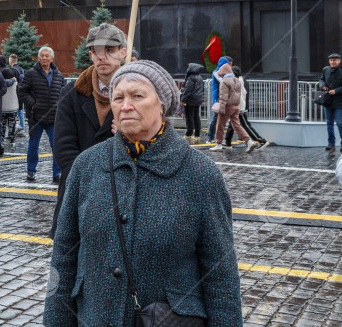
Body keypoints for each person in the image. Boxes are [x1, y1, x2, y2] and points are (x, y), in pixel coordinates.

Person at [44, 60, 243, 325]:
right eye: (118, 98)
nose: (125, 106)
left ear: (161, 103)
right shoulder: (86, 166)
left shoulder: (200, 173)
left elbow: (220, 272)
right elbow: (64, 255)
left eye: (137, 96)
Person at [51, 24, 125, 238]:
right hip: (81, 192)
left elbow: (154, 141)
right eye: (96, 51)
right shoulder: (71, 94)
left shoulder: (138, 93)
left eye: (109, 51)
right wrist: (95, 184)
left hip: (124, 195)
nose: (102, 57)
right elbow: (64, 150)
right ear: (91, 55)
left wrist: (131, 133)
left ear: (122, 52)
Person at [18, 46, 65, 183]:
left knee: (56, 146)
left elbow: (64, 94)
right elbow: (22, 92)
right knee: (33, 145)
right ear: (38, 58)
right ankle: (31, 172)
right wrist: (33, 104)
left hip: (53, 118)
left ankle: (57, 173)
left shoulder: (58, 75)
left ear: (52, 58)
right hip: (36, 117)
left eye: (47, 55)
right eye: (42, 55)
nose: (45, 58)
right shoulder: (31, 73)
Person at [210, 62, 256, 153]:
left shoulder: (224, 81)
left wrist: (221, 109)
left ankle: (218, 144)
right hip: (236, 106)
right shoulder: (236, 80)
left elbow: (223, 97)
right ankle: (249, 142)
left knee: (220, 125)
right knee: (237, 126)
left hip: (227, 106)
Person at [225, 65, 270, 152]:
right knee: (232, 124)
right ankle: (227, 142)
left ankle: (261, 140)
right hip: (240, 107)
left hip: (239, 107)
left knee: (245, 125)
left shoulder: (239, 81)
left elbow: (241, 96)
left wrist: (241, 109)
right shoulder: (241, 80)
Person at [207, 56, 233, 143]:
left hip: (225, 98)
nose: (230, 66)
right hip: (218, 99)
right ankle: (210, 138)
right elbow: (223, 82)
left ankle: (223, 139)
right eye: (228, 64)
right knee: (215, 118)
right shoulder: (216, 73)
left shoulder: (226, 73)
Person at [320, 53, 342, 151]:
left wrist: (336, 91)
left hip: (339, 102)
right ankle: (331, 143)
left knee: (340, 123)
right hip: (327, 100)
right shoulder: (325, 69)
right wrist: (323, 86)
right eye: (331, 60)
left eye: (335, 60)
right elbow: (321, 79)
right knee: (329, 123)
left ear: (339, 61)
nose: (333, 62)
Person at [180, 62, 205, 144]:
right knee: (196, 117)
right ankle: (197, 135)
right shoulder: (200, 78)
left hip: (190, 100)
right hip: (197, 100)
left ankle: (189, 134)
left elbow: (188, 90)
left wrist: (183, 100)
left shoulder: (191, 78)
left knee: (189, 117)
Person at [0, 67, 20, 150]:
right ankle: (12, 140)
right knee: (12, 124)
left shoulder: (1, 83)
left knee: (2, 124)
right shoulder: (15, 83)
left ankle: (1, 140)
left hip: (3, 108)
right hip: (13, 107)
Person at [9, 54, 26, 133]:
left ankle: (16, 127)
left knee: (13, 112)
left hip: (15, 93)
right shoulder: (21, 69)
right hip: (22, 92)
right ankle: (22, 128)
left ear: (11, 60)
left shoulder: (12, 70)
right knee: (20, 111)